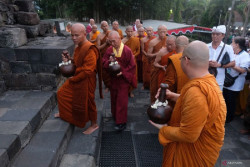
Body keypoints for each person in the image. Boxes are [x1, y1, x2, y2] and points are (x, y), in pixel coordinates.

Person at [150, 41, 227, 166]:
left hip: (193, 156)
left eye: (180, 58)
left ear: (186, 60)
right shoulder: (209, 81)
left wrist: (164, 130)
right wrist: (173, 96)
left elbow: (188, 135)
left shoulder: (197, 91)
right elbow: (200, 103)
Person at [55, 23, 103, 135]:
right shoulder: (78, 47)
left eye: (76, 35)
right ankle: (66, 114)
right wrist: (69, 59)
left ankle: (94, 124)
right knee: (61, 93)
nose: (74, 38)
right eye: (72, 35)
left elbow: (88, 71)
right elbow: (77, 62)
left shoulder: (90, 49)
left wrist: (73, 79)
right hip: (78, 77)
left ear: (84, 34)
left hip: (86, 80)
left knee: (89, 101)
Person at [102, 31, 136, 131]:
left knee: (122, 101)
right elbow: (103, 61)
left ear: (119, 38)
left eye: (114, 41)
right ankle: (115, 116)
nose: (112, 44)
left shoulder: (127, 50)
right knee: (114, 98)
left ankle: (121, 122)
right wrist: (109, 62)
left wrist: (123, 72)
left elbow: (132, 66)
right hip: (113, 79)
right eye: (110, 41)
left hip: (123, 80)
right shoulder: (109, 50)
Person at [223, 36, 250, 123]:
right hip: (227, 80)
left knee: (231, 102)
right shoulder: (233, 52)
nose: (231, 44)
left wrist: (232, 65)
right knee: (225, 100)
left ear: (237, 45)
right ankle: (223, 115)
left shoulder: (245, 56)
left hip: (235, 83)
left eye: (232, 42)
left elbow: (243, 70)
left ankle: (229, 118)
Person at [208, 25, 235, 90]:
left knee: (217, 99)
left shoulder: (228, 48)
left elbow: (233, 63)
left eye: (217, 34)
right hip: (206, 78)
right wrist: (207, 63)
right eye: (213, 34)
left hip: (219, 81)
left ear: (223, 35)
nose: (214, 36)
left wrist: (219, 65)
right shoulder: (206, 46)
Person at [147, 25, 168, 103]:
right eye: (161, 31)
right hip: (155, 66)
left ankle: (163, 101)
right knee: (154, 86)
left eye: (164, 32)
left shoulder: (168, 41)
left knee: (165, 85)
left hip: (165, 66)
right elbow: (148, 55)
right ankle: (153, 101)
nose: (162, 33)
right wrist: (159, 53)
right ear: (157, 32)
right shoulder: (153, 42)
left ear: (167, 31)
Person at [122, 26, 140, 97]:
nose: (130, 33)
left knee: (133, 75)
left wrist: (134, 56)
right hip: (125, 60)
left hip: (133, 59)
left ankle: (131, 91)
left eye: (131, 31)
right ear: (125, 32)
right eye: (128, 31)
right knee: (126, 75)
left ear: (133, 32)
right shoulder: (123, 41)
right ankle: (126, 90)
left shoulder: (136, 40)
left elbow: (138, 50)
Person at [97, 21, 111, 92]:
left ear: (108, 26)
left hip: (111, 55)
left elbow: (117, 43)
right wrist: (106, 43)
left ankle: (113, 84)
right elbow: (98, 48)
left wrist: (110, 42)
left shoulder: (111, 33)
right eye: (103, 26)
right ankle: (107, 85)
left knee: (112, 69)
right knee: (104, 71)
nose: (105, 27)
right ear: (101, 27)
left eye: (106, 25)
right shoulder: (99, 36)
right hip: (103, 56)